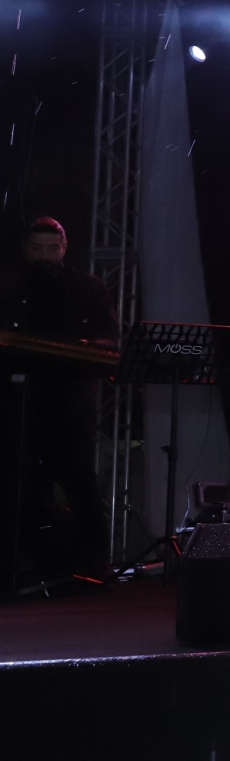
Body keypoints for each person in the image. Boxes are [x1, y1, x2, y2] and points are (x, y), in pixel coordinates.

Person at [0, 217, 118, 583]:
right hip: (17, 403)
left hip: (71, 405)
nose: (44, 255)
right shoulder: (7, 287)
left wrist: (79, 349)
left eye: (52, 248)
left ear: (64, 249)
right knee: (18, 485)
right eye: (37, 248)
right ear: (25, 249)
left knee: (81, 483)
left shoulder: (88, 288)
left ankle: (97, 564)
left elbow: (109, 340)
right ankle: (19, 564)